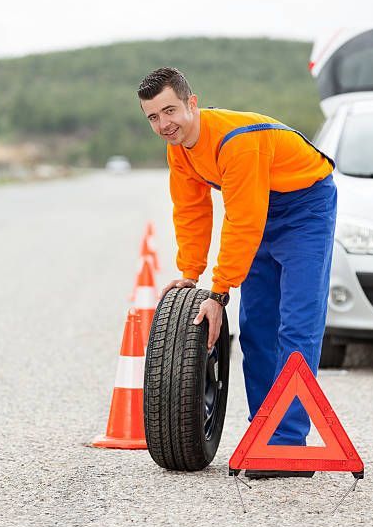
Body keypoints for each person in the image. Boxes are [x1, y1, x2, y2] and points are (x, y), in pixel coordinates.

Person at [137, 66, 337, 476]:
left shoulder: (235, 141)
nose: (164, 124)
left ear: (192, 103)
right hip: (261, 205)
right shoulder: (179, 149)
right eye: (153, 117)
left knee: (296, 324)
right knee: (256, 327)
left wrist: (218, 293)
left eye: (170, 110)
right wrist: (191, 275)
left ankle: (287, 445)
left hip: (304, 208)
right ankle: (263, 432)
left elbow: (243, 221)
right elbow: (191, 211)